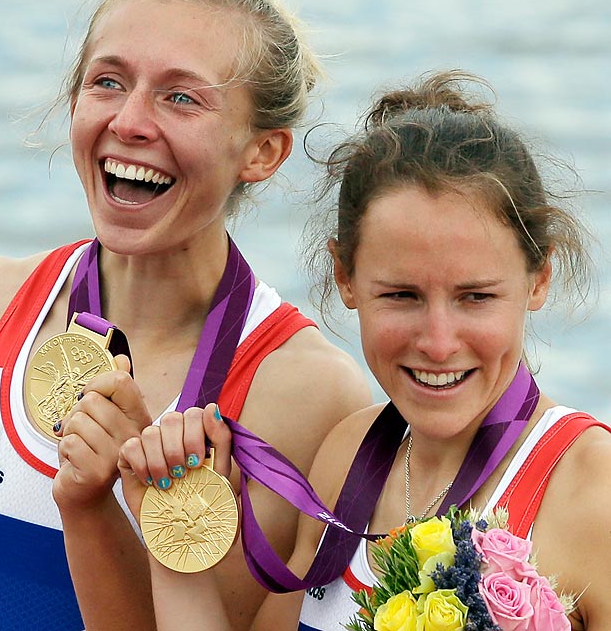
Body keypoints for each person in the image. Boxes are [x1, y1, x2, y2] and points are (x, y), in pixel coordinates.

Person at [118, 70, 611, 630]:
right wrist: (177, 540)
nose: (438, 341)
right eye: (401, 295)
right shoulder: (348, 456)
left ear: (538, 279)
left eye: (476, 297)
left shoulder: (594, 492)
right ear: (345, 277)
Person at [0, 0, 372, 631]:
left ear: (263, 153)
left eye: (181, 97)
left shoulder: (305, 395)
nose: (131, 121)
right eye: (107, 81)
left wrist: (109, 508)